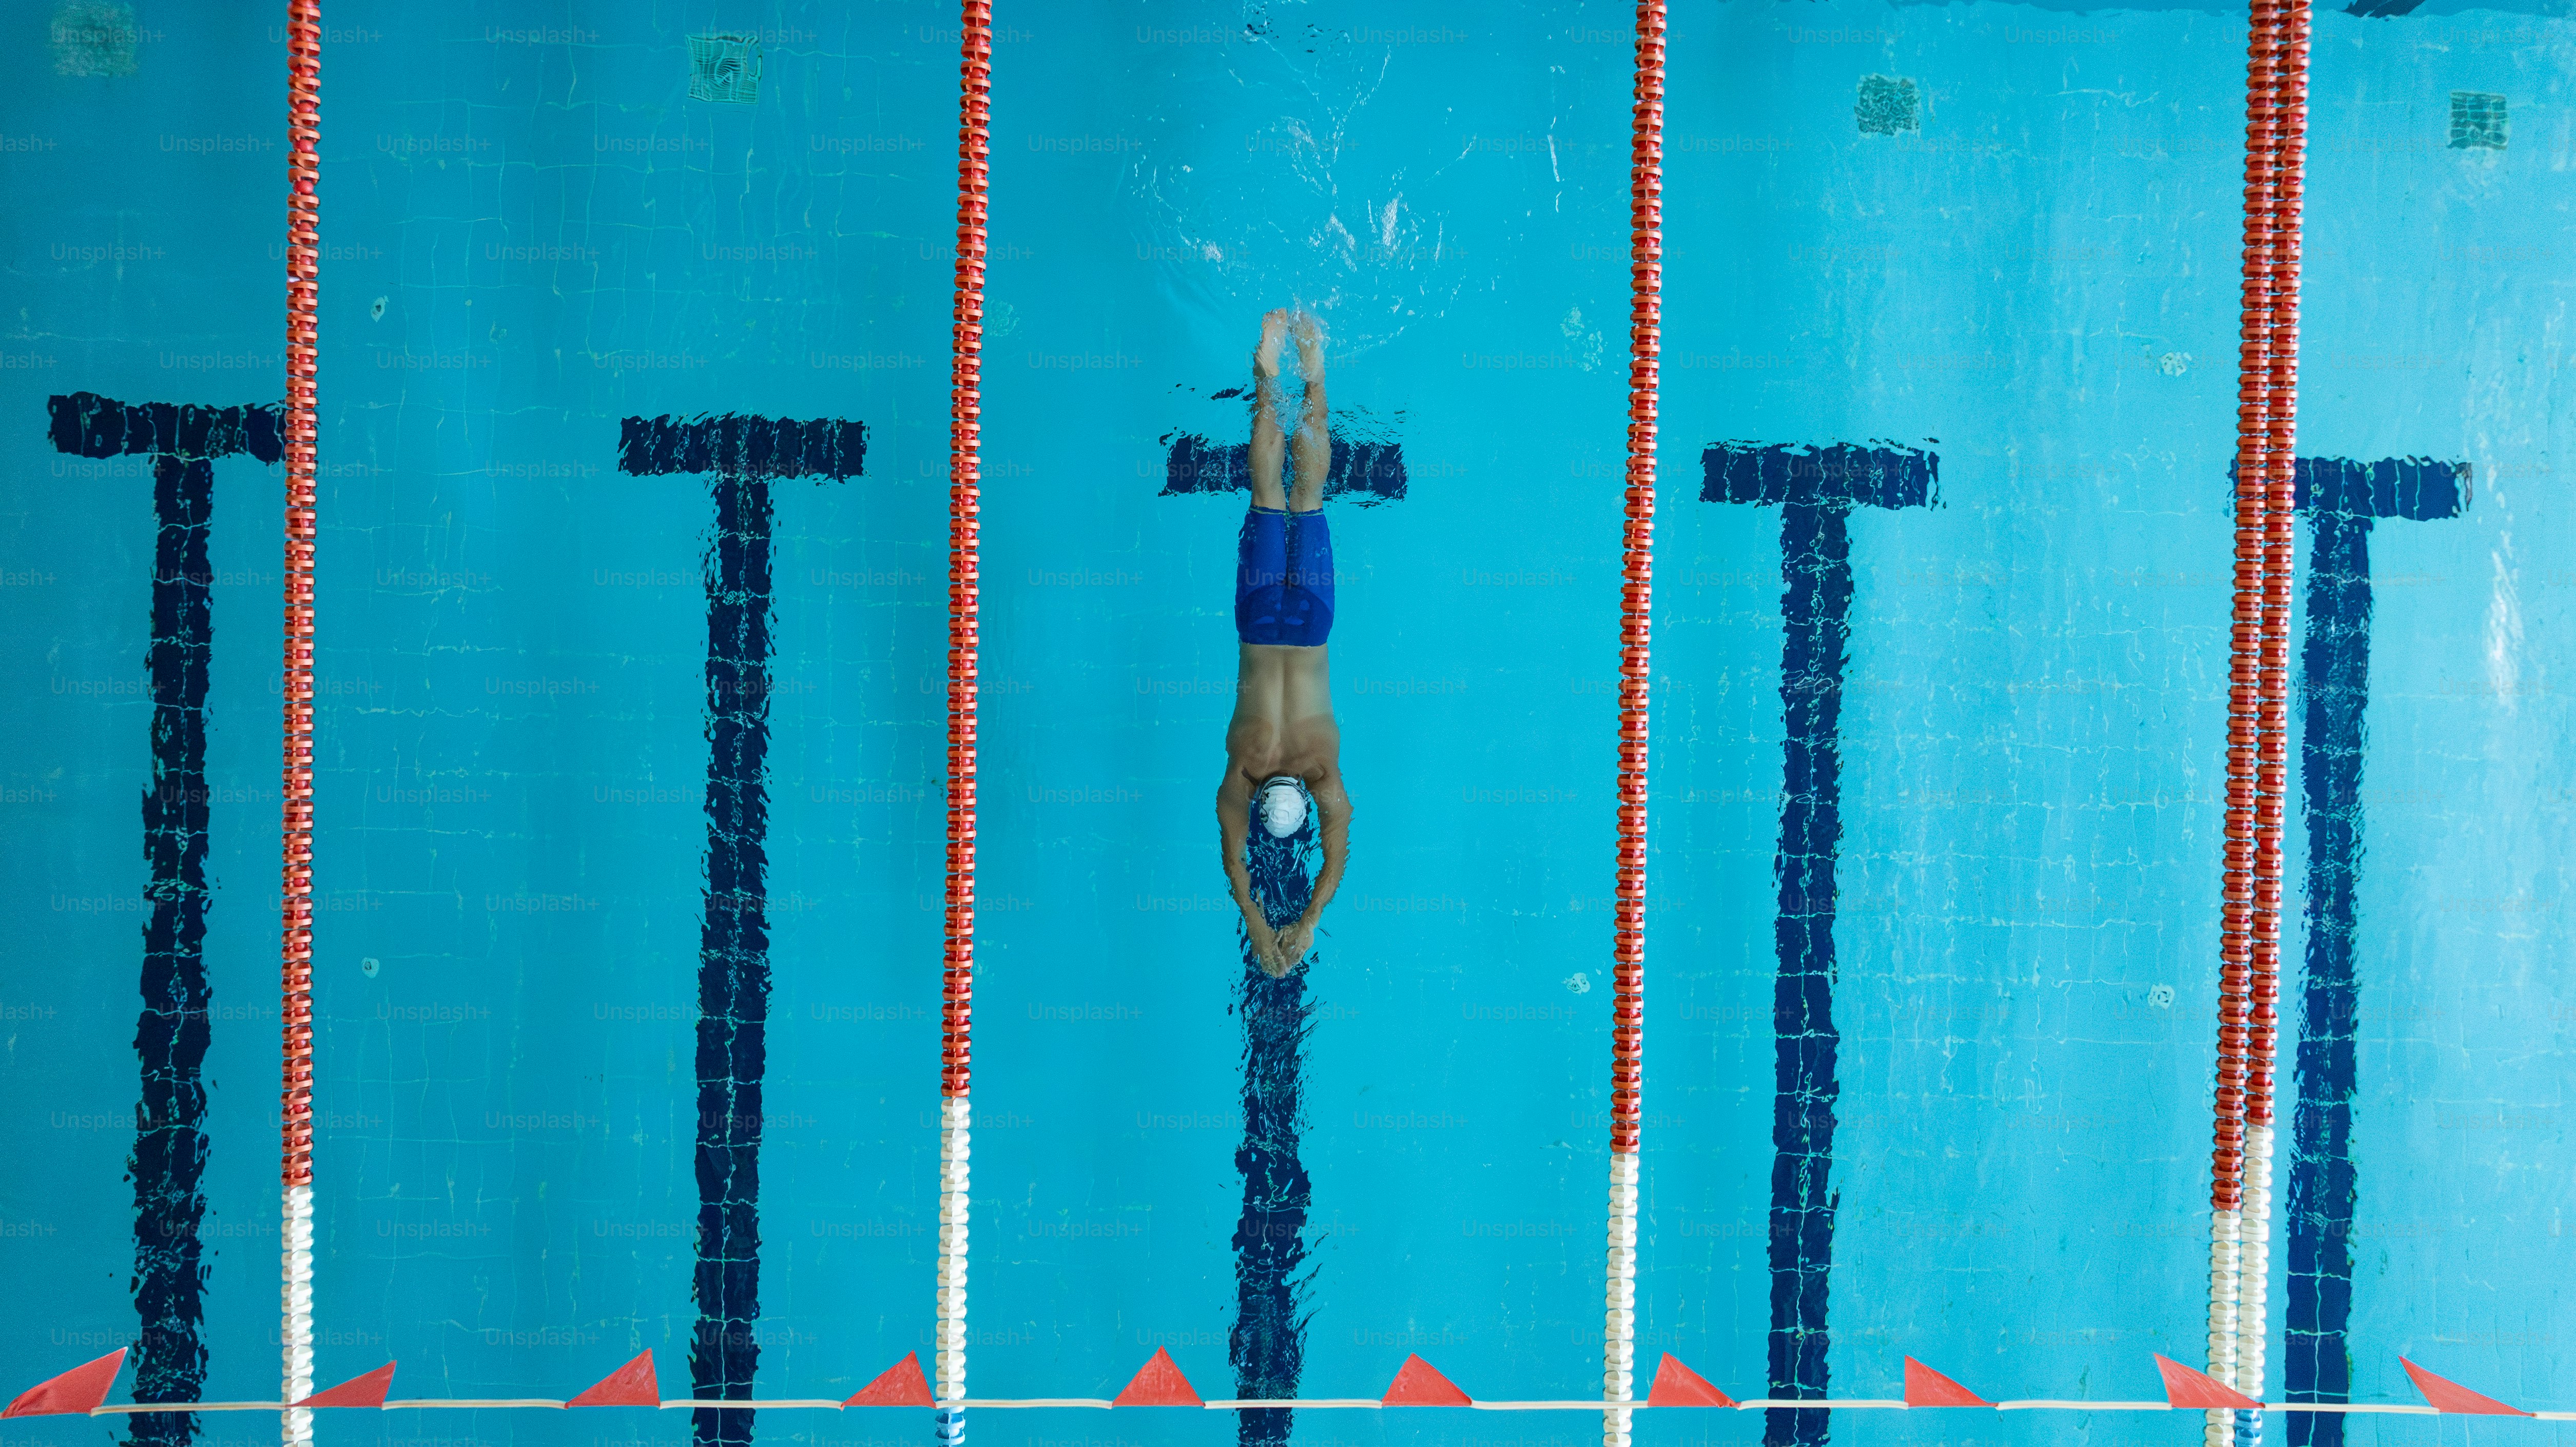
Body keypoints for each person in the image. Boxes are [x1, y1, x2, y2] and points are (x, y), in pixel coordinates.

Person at [1218, 309, 1351, 977]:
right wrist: (1260, 918)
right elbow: (1233, 855)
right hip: (1258, 617)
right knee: (1270, 492)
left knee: (1308, 495)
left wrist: (1308, 918)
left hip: (1310, 621)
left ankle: (1313, 360)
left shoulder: (1320, 767)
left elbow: (1339, 851)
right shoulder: (1243, 773)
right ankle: (1271, 364)